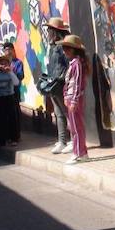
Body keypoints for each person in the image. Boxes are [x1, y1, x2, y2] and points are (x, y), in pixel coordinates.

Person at [58, 34, 89, 164]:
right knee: (74, 127)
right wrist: (66, 96)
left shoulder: (77, 64)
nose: (65, 51)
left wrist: (74, 101)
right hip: (70, 98)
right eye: (64, 48)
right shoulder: (73, 63)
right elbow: (68, 83)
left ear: (74, 50)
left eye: (67, 48)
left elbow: (77, 83)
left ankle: (79, 153)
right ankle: (81, 152)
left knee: (76, 128)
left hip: (75, 99)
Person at [43, 17, 71, 154]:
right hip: (52, 84)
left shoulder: (62, 47)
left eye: (49, 30)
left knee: (66, 113)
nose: (48, 32)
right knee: (58, 113)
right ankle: (62, 141)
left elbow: (68, 64)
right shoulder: (52, 47)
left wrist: (63, 78)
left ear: (55, 31)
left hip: (60, 84)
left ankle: (74, 140)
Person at [0, 56, 19, 146]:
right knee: (1, 119)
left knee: (12, 118)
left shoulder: (11, 73)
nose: (3, 66)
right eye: (1, 64)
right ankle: (2, 139)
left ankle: (14, 138)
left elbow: (16, 83)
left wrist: (10, 72)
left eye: (5, 64)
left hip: (9, 97)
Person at [2, 42, 24, 142]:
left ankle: (16, 136)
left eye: (9, 49)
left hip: (15, 91)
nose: (8, 52)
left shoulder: (18, 63)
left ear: (13, 50)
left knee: (15, 114)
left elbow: (20, 76)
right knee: (6, 114)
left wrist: (11, 71)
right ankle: (8, 135)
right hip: (5, 92)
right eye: (6, 50)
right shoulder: (3, 63)